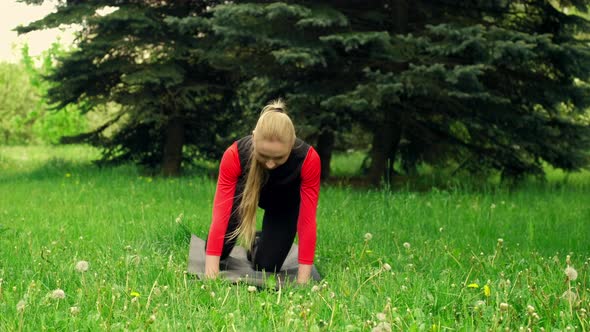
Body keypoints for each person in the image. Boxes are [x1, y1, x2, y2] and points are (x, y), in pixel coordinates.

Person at [204, 99, 320, 284]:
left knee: (266, 266)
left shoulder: (308, 159)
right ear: (253, 138)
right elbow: (220, 215)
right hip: (244, 198)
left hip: (283, 204)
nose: (270, 164)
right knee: (218, 251)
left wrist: (303, 282)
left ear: (291, 144)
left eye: (279, 157)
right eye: (264, 155)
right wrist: (211, 274)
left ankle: (258, 240)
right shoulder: (234, 155)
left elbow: (307, 222)